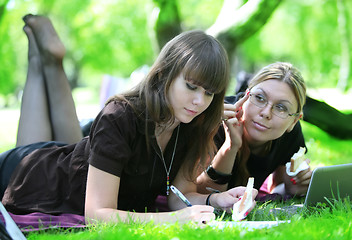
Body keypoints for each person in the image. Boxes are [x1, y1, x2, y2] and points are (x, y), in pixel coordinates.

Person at [0, 14, 257, 225]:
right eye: (191, 87)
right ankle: (40, 59)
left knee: (68, 147)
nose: (199, 101)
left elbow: (179, 198)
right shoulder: (120, 115)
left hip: (70, 161)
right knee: (36, 150)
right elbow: (97, 213)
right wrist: (173, 220)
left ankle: (45, 59)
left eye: (209, 92)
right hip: (28, 177)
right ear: (165, 73)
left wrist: (215, 201)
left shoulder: (191, 123)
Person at [197, 62, 312, 200]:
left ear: (294, 121)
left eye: (281, 107)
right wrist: (230, 147)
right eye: (259, 97)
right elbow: (201, 194)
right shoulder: (216, 120)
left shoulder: (288, 135)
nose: (266, 113)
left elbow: (276, 188)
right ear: (246, 95)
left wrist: (293, 186)